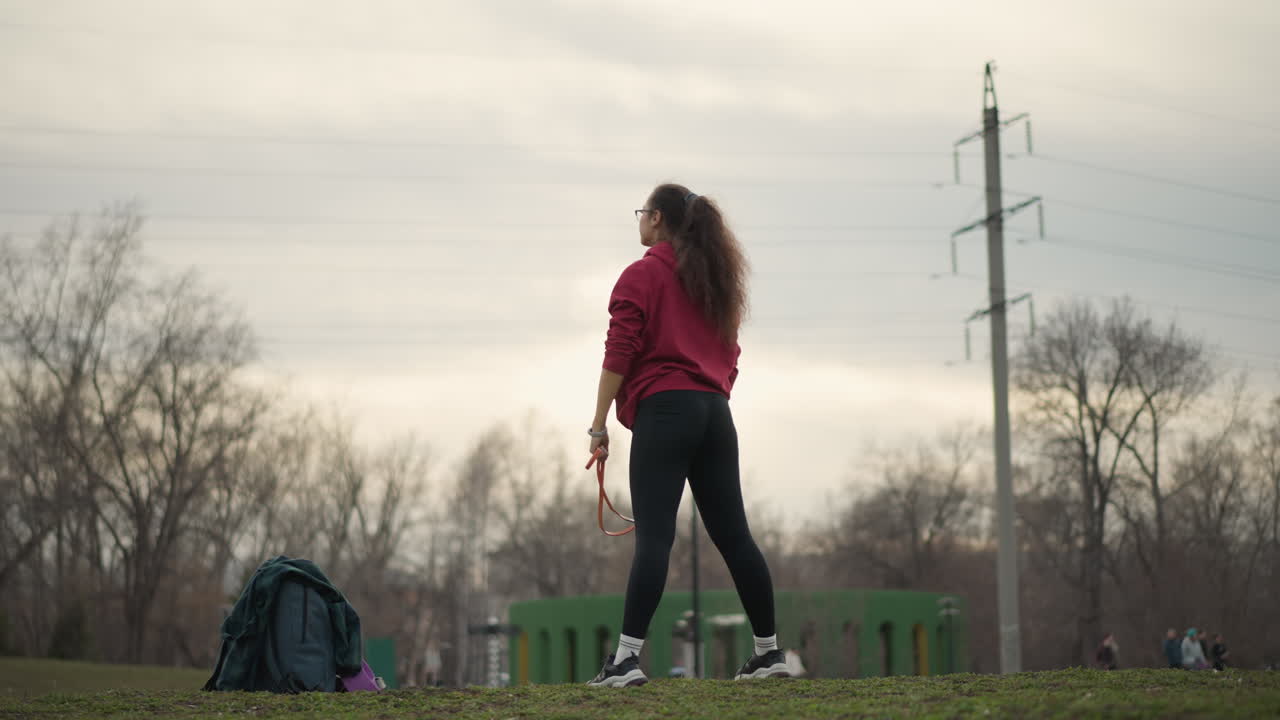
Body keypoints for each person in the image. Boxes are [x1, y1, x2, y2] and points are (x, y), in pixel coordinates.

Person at [585, 184, 786, 687]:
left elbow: (619, 351)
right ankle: (768, 654)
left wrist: (599, 423)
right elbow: (731, 354)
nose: (639, 221)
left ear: (656, 218)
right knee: (736, 537)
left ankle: (625, 661)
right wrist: (712, 390)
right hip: (715, 413)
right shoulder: (715, 281)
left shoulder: (641, 274)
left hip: (665, 410)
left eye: (642, 213)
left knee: (655, 538)